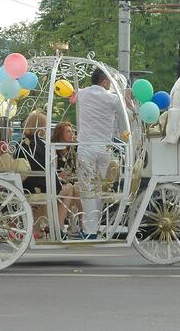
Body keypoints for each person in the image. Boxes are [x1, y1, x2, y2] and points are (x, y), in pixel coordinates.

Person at [75, 67, 132, 236]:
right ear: (104, 82)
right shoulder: (113, 99)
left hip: (86, 148)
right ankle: (95, 227)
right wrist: (128, 100)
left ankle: (89, 230)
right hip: (104, 148)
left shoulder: (82, 94)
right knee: (99, 189)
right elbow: (127, 115)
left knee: (87, 190)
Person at [51, 122, 83, 234]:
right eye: (68, 131)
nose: (71, 134)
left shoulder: (74, 148)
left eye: (72, 131)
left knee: (77, 189)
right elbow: (50, 169)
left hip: (73, 180)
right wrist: (57, 175)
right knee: (73, 189)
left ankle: (83, 224)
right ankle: (83, 224)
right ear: (60, 134)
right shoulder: (53, 148)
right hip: (59, 182)